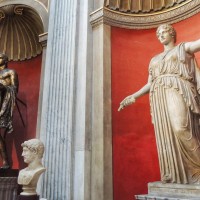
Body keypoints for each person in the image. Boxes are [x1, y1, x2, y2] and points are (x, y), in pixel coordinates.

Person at [118, 24, 200, 184]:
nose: (160, 35)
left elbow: (198, 43)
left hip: (178, 89)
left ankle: (197, 168)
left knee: (181, 128)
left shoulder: (183, 48)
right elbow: (150, 83)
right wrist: (134, 95)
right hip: (159, 96)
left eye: (163, 32)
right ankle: (174, 175)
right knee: (166, 135)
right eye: (158, 34)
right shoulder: (154, 59)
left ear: (172, 34)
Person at [0, 53, 18, 169]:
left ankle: (6, 161)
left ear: (5, 60)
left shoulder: (11, 72)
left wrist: (3, 87)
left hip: (4, 102)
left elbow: (14, 88)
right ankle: (5, 161)